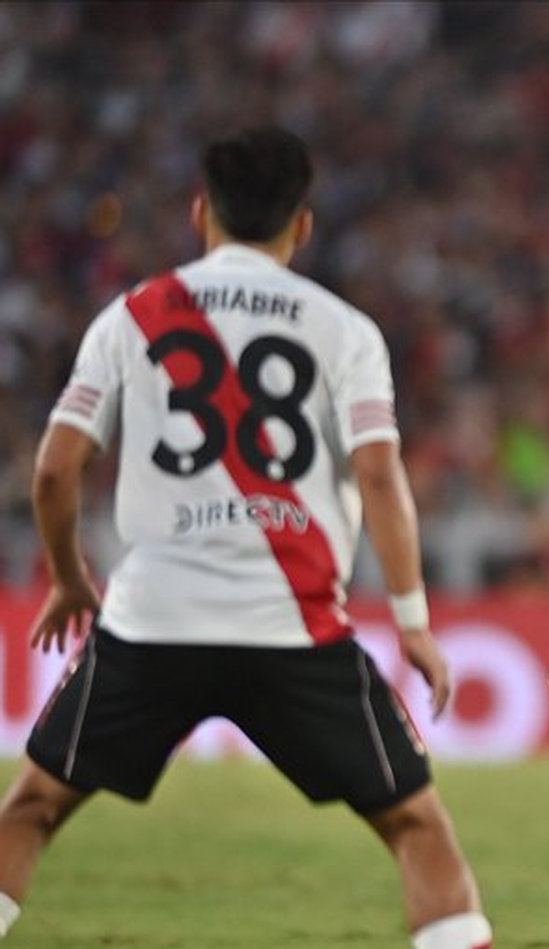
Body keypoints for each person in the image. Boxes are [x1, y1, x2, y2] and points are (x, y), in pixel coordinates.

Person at [0, 127, 491, 949]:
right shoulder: (345, 331)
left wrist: (66, 577)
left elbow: (54, 470)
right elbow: (379, 478)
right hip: (291, 628)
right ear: (302, 225)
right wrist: (412, 621)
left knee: (33, 808)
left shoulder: (131, 317)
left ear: (201, 214)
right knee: (416, 824)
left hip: (152, 624)